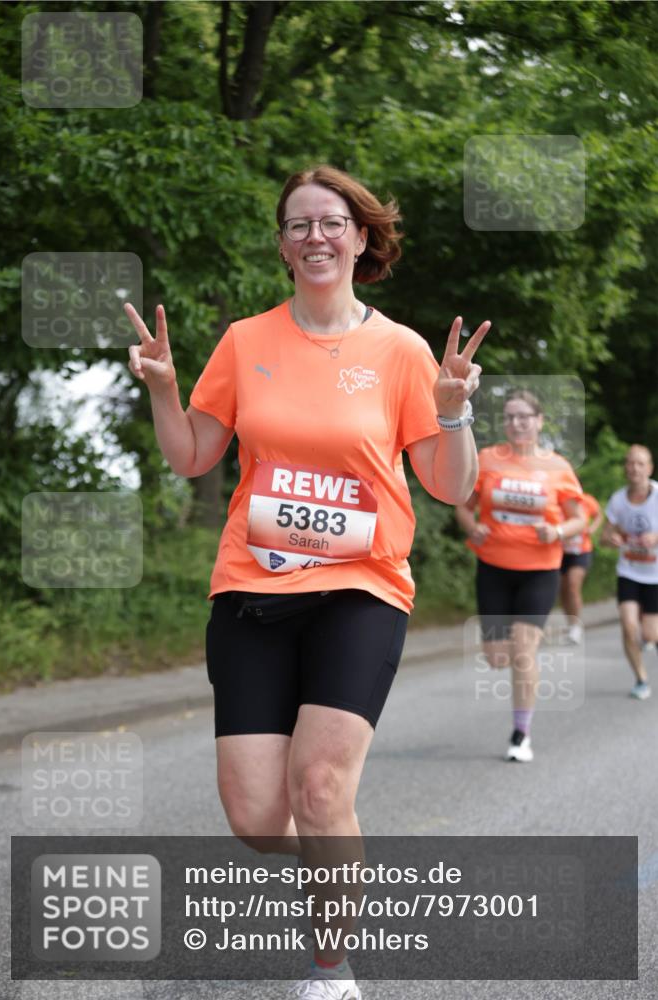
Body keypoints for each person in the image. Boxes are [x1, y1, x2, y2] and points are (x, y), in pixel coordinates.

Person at [124, 164, 489, 1000]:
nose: (315, 236)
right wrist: (164, 390)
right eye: (298, 225)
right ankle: (341, 852)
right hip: (250, 590)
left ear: (360, 239)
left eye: (331, 223)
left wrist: (453, 411)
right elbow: (193, 458)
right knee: (257, 819)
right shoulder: (245, 342)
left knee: (319, 788)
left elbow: (449, 485)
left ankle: (329, 969)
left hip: (361, 588)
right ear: (284, 246)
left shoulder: (400, 351)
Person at [455, 390, 586, 763]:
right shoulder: (487, 459)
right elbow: (462, 506)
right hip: (494, 568)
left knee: (525, 652)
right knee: (498, 658)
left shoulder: (558, 467)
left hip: (539, 571)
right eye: (510, 416)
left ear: (539, 421)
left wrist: (557, 531)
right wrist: (473, 527)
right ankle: (516, 659)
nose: (516, 423)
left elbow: (578, 518)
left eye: (524, 416)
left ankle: (521, 734)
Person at [601, 444, 658, 700]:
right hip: (629, 572)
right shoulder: (618, 500)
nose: (634, 468)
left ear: (650, 468)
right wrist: (611, 539)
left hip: (655, 575)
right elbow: (604, 537)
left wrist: (656, 537)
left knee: (650, 634)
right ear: (626, 467)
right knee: (628, 626)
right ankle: (641, 679)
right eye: (630, 463)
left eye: (640, 463)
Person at [559, 492, 603, 644]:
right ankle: (570, 622)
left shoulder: (587, 500)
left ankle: (575, 626)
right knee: (563, 589)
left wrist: (592, 528)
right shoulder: (556, 498)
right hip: (559, 552)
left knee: (573, 585)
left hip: (581, 550)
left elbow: (598, 515)